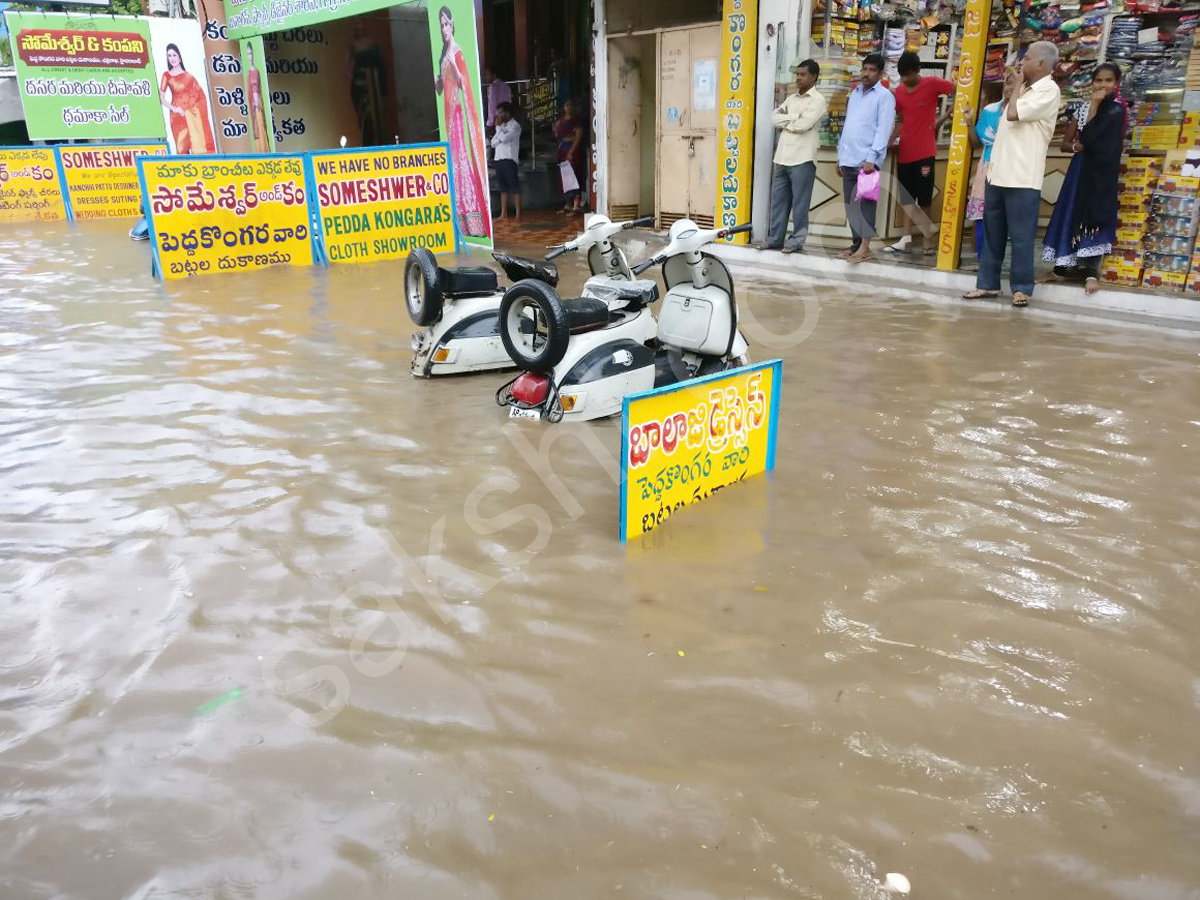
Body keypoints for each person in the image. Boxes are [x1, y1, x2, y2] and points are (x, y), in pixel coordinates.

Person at [963, 41, 1061, 307]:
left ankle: (1021, 289)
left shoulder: (1048, 90)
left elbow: (1015, 113)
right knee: (993, 235)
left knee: (1021, 238)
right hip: (998, 174)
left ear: (1041, 63)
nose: (1021, 64)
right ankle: (987, 285)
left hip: (1022, 178)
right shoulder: (1027, 89)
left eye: (1026, 59)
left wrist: (1016, 86)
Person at [1040, 63, 1126, 295]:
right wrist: (1074, 146)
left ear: (1116, 83)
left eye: (1108, 81)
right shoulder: (1082, 108)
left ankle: (1091, 273)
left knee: (1093, 218)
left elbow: (1093, 137)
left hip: (1100, 175)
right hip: (1079, 171)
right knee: (1070, 213)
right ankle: (1061, 269)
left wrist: (1096, 105)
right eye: (1098, 80)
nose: (1103, 85)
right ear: (1092, 83)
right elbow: (1066, 143)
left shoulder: (1116, 110)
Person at [882, 51, 954, 256]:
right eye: (902, 75)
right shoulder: (900, 91)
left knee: (924, 200)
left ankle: (927, 243)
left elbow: (961, 91)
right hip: (905, 151)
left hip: (925, 152)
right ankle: (906, 239)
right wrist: (888, 142)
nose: (905, 80)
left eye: (908, 75)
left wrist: (943, 119)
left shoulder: (932, 83)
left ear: (917, 71)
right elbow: (901, 119)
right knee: (906, 198)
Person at [759, 59, 827, 254]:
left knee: (800, 203)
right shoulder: (791, 99)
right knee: (778, 201)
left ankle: (796, 241)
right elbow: (773, 117)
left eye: (803, 74)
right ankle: (775, 239)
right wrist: (794, 118)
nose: (798, 78)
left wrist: (788, 121)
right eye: (797, 74)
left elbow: (803, 126)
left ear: (813, 77)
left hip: (803, 157)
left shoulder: (818, 100)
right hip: (782, 156)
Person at [435, 5, 491, 238]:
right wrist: (437, 81)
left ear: (453, 24)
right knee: (454, 166)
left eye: (446, 24)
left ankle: (473, 223)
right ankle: (460, 222)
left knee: (462, 164)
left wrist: (455, 66)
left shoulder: (456, 52)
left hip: (458, 118)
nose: (444, 29)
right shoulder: (443, 55)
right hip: (449, 120)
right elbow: (440, 91)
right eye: (441, 26)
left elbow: (462, 83)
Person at [836, 53, 896, 264]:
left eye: (871, 70)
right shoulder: (855, 94)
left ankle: (865, 248)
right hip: (849, 158)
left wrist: (872, 157)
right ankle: (855, 245)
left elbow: (883, 130)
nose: (866, 74)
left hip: (868, 161)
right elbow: (849, 127)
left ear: (880, 73)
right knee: (851, 206)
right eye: (864, 69)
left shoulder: (885, 96)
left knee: (866, 205)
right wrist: (840, 156)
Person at [960, 81, 1005, 258]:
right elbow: (975, 143)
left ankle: (992, 259)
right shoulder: (989, 112)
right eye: (1007, 84)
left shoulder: (1017, 113)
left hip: (1007, 167)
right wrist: (969, 122)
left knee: (998, 217)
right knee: (981, 215)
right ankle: (981, 258)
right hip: (986, 167)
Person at [159, 43, 216, 155]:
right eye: (169, 55)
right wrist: (174, 109)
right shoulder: (167, 75)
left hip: (192, 115)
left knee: (196, 145)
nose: (172, 58)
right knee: (181, 148)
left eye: (174, 55)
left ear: (180, 57)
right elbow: (162, 98)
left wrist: (191, 110)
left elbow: (201, 97)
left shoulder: (189, 77)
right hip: (177, 117)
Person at [350, 20, 386, 146]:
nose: (360, 26)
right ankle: (368, 145)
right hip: (361, 87)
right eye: (357, 24)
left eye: (362, 23)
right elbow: (347, 69)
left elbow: (380, 64)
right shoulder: (352, 45)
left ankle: (379, 145)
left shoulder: (372, 43)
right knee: (366, 117)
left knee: (377, 116)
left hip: (374, 84)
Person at [491, 101, 521, 220]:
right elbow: (493, 143)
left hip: (509, 159)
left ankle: (518, 214)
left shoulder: (515, 126)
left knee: (514, 187)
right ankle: (504, 213)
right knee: (502, 187)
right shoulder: (502, 127)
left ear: (507, 113)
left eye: (501, 112)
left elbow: (504, 139)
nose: (498, 115)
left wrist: (498, 128)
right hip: (498, 159)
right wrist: (499, 131)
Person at [555, 98, 586, 213]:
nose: (568, 107)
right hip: (563, 149)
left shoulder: (577, 121)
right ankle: (567, 203)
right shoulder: (561, 121)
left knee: (575, 176)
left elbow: (578, 136)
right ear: (564, 108)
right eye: (566, 105)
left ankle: (576, 205)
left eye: (570, 105)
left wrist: (571, 151)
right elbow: (558, 134)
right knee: (565, 177)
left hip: (573, 150)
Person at [246, 43, 269, 153]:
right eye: (248, 54)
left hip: (257, 105)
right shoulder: (249, 72)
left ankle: (263, 150)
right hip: (252, 105)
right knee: (256, 129)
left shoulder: (254, 71)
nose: (249, 56)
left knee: (259, 127)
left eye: (250, 53)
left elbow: (255, 88)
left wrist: (256, 102)